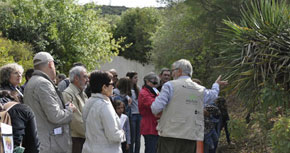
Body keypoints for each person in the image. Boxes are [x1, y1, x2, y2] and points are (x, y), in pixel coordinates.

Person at [151, 59, 228, 153]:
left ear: (179, 71)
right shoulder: (200, 89)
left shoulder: (169, 86)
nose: (172, 74)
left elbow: (155, 108)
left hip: (170, 135)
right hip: (191, 136)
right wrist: (216, 85)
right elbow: (213, 95)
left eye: (173, 71)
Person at [24, 52, 76, 153]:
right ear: (50, 64)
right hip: (51, 145)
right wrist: (70, 110)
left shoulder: (32, 82)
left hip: (41, 142)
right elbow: (55, 116)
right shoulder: (43, 84)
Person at [82, 70, 125, 153]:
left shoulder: (88, 102)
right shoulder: (104, 105)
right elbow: (113, 135)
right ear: (104, 87)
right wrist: (122, 134)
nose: (113, 87)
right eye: (112, 84)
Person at [62, 66, 89, 153]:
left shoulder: (83, 94)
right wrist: (91, 134)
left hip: (83, 138)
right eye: (85, 76)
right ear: (76, 78)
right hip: (76, 140)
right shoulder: (67, 94)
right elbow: (75, 120)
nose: (87, 79)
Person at [138, 72, 160, 153]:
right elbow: (153, 104)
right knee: (151, 149)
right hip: (149, 125)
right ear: (147, 82)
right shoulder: (144, 92)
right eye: (154, 83)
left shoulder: (155, 91)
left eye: (156, 83)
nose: (155, 85)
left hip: (156, 125)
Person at [126, 71, 141, 153]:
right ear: (130, 79)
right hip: (132, 115)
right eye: (135, 78)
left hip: (139, 115)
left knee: (138, 138)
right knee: (132, 137)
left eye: (137, 77)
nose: (137, 79)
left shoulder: (138, 89)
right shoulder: (126, 90)